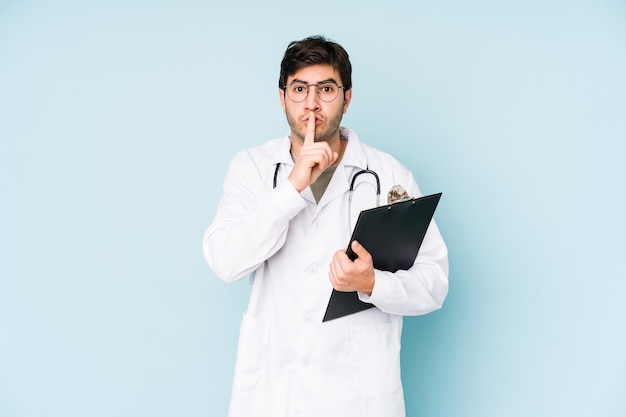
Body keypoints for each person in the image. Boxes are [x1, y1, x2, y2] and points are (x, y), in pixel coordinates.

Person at [203, 35, 449, 417]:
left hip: (356, 396)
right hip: (274, 391)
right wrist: (292, 188)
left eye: (327, 89)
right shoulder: (252, 168)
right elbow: (225, 261)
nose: (312, 103)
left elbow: (434, 283)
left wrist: (372, 283)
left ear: (347, 98)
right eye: (299, 89)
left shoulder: (389, 174)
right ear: (282, 97)